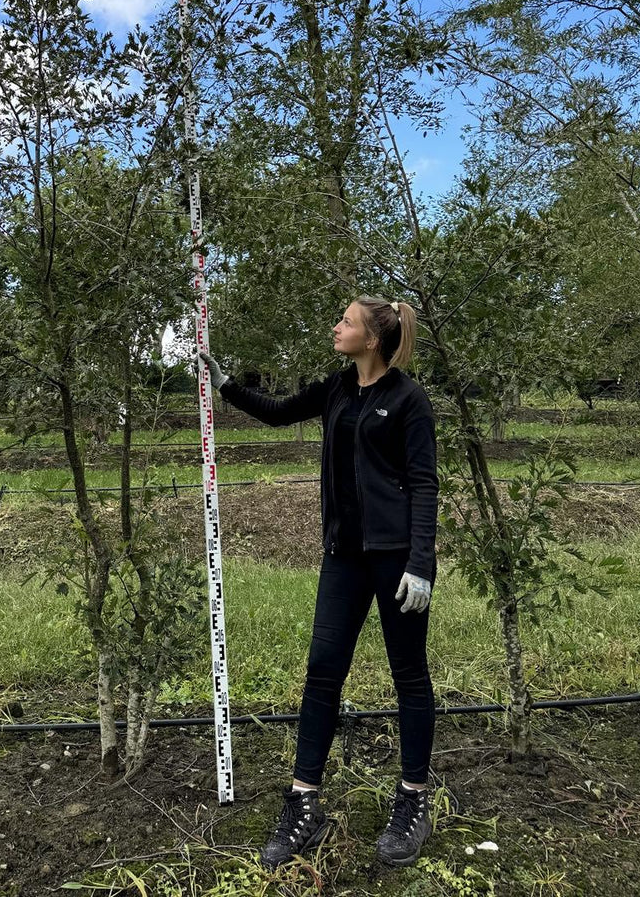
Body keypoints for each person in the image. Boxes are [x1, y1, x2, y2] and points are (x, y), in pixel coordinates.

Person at [200, 296, 439, 872]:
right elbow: (278, 411)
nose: (336, 327)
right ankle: (304, 803)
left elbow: (425, 483)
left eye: (347, 322)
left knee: (408, 674)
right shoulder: (335, 388)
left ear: (373, 339)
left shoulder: (409, 399)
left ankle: (413, 799)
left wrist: (421, 564)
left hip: (395, 562)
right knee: (323, 671)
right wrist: (224, 382)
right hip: (344, 557)